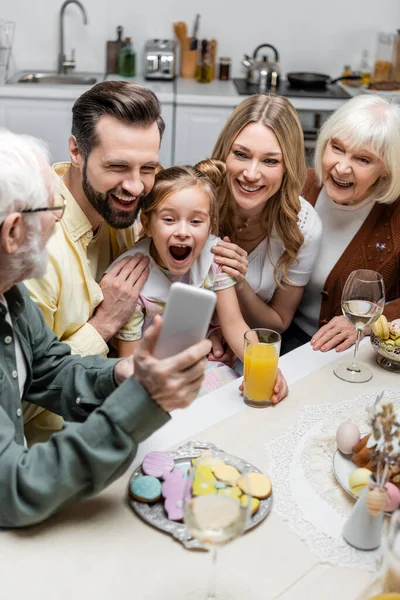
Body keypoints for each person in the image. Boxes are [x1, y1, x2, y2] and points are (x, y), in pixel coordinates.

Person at [0, 130, 211, 528]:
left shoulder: (8, 291)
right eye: (50, 208)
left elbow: (47, 367)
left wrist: (122, 375)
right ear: (12, 233)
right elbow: (15, 487)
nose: (61, 218)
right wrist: (142, 402)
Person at [23, 80, 165, 443]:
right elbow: (17, 402)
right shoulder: (33, 252)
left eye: (147, 168)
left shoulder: (118, 210)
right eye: (118, 166)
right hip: (58, 449)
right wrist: (103, 326)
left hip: (121, 414)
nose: (135, 187)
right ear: (76, 151)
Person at [108, 160, 288, 402]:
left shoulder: (214, 258)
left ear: (210, 225)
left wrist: (266, 369)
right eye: (169, 220)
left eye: (195, 221)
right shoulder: (133, 278)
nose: (183, 231)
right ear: (148, 224)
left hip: (201, 364)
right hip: (150, 377)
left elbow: (234, 325)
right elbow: (130, 364)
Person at [208, 94, 322, 360]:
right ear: (225, 152)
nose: (251, 173)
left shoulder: (303, 227)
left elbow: (278, 323)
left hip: (251, 345)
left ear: (287, 167)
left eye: (270, 161)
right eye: (241, 154)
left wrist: (238, 283)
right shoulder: (198, 198)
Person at [291, 94, 400, 353]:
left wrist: (374, 319)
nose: (341, 168)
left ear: (386, 168)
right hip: (282, 339)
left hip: (350, 354)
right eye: (337, 148)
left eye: (363, 159)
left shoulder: (395, 215)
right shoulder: (297, 186)